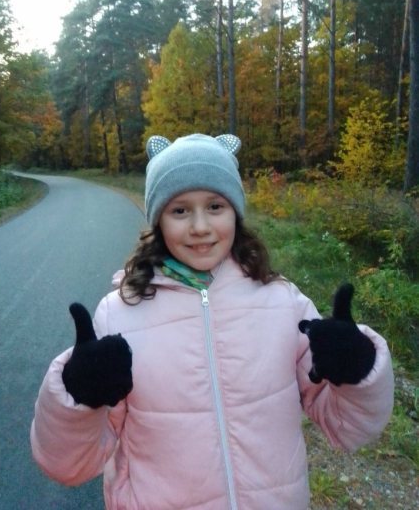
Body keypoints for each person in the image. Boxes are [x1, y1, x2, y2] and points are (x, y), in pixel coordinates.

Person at [31, 133, 394, 510]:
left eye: (215, 206)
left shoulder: (283, 302)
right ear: (158, 221)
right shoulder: (119, 314)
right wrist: (78, 400)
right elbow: (68, 465)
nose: (200, 226)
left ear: (235, 212)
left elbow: (350, 428)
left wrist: (357, 370)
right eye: (180, 211)